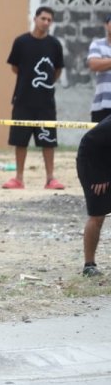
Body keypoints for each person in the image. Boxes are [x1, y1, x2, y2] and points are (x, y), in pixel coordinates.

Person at [3, 6, 65, 190]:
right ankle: (19, 178)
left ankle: (50, 178)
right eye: (43, 18)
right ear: (35, 19)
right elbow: (15, 67)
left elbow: (57, 69)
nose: (46, 23)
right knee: (20, 140)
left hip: (45, 102)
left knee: (48, 141)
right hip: (23, 99)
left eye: (49, 20)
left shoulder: (55, 44)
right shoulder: (21, 42)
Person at [77, 115, 111, 276]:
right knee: (97, 215)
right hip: (92, 165)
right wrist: (99, 176)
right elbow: (88, 143)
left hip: (106, 162)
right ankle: (89, 265)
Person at [88, 14, 111, 124]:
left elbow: (100, 64)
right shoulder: (97, 44)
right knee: (97, 141)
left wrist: (106, 62)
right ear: (106, 25)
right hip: (101, 106)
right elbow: (94, 64)